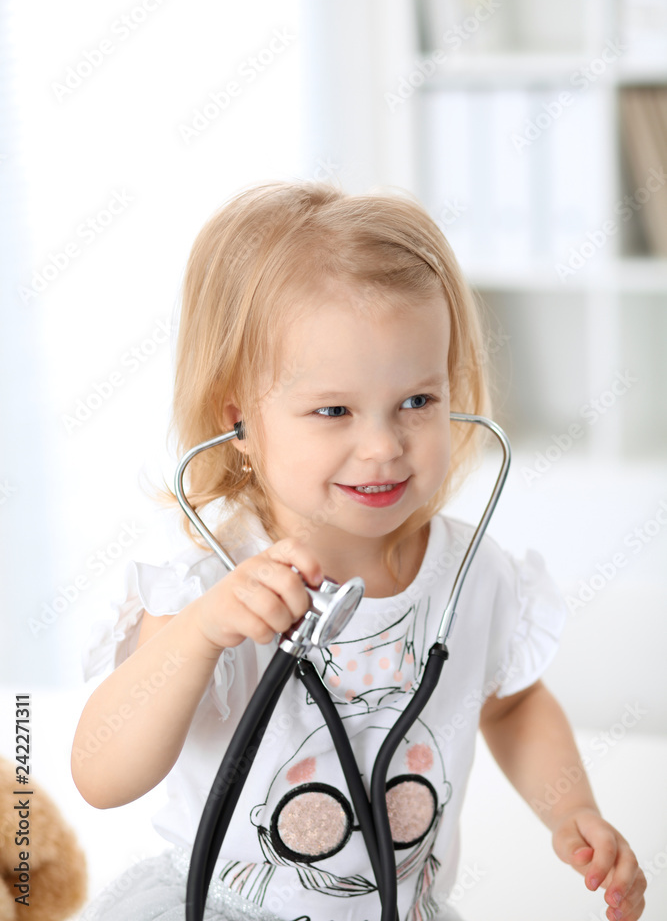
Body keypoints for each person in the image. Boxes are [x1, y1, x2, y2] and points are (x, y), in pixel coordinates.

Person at [71, 180, 647, 921]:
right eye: (333, 410)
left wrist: (571, 810)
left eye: (417, 400)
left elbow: (510, 705)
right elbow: (101, 774)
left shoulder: (472, 576)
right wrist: (201, 634)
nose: (382, 446)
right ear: (239, 419)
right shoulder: (208, 585)